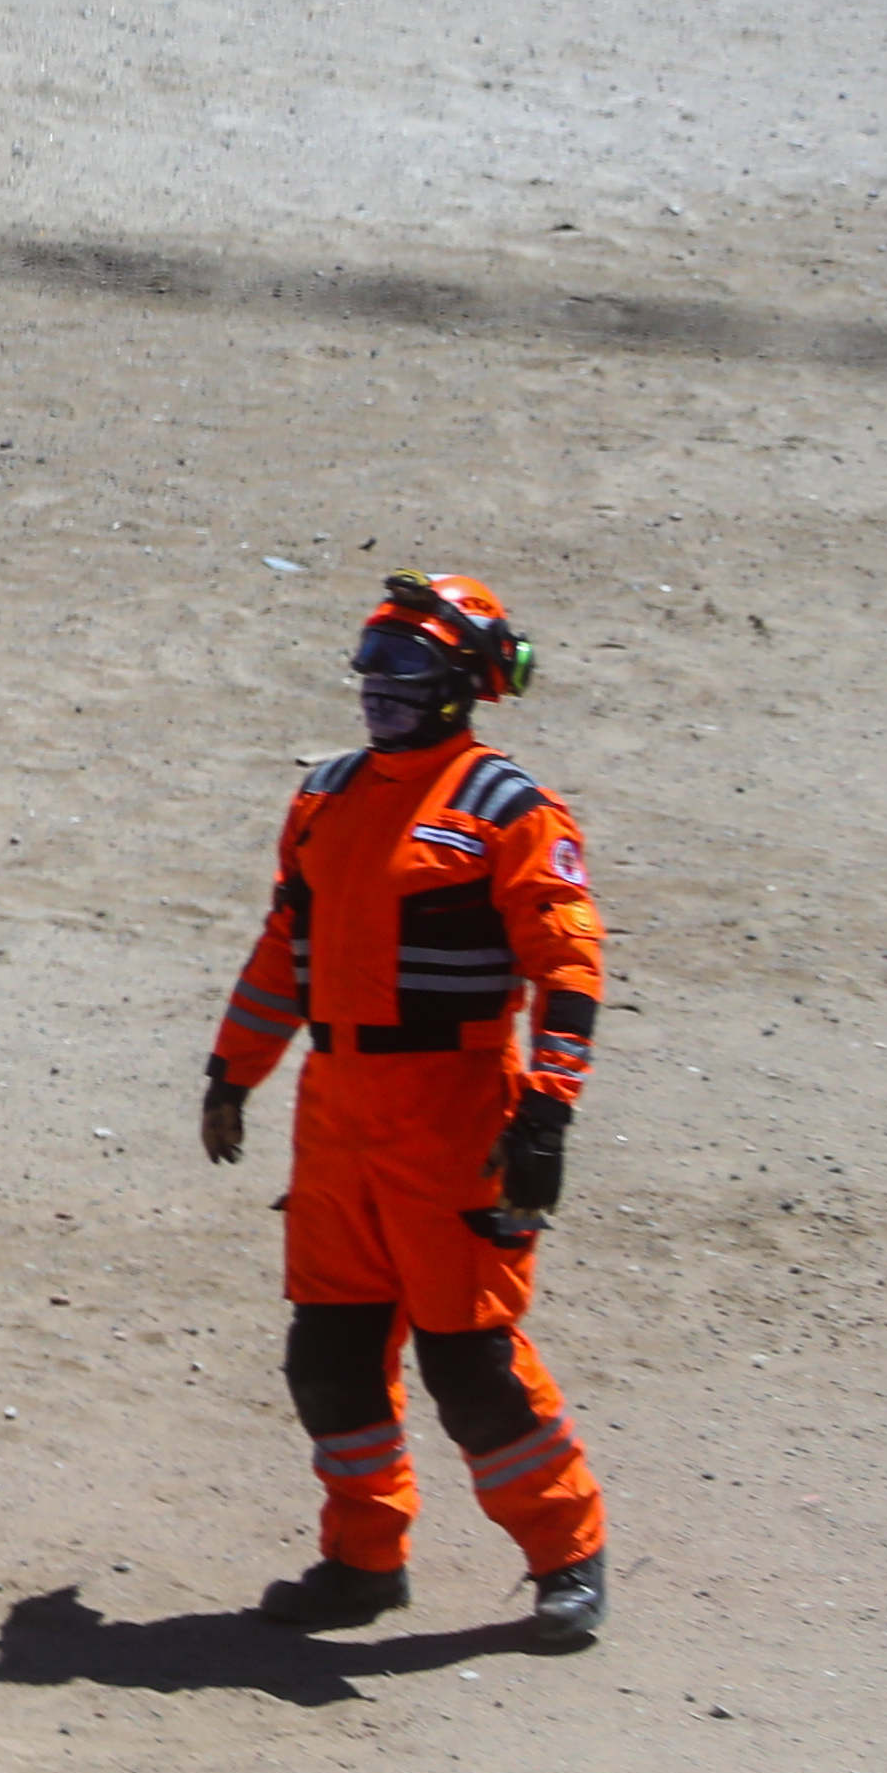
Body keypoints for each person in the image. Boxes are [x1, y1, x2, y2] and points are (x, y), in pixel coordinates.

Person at [201, 571, 613, 1645]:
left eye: (405, 670)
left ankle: (568, 1552)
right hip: (335, 1114)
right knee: (329, 1357)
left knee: (469, 1361)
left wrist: (549, 1110)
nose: (377, 688)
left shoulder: (508, 809)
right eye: (371, 666)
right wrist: (234, 1071)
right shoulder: (326, 797)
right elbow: (284, 953)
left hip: (454, 1115)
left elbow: (568, 964)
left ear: (463, 685)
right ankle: (364, 1560)